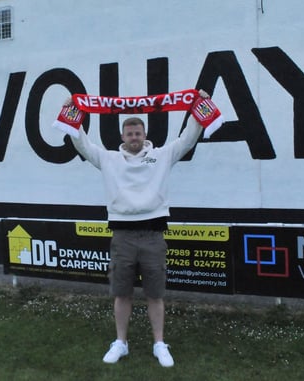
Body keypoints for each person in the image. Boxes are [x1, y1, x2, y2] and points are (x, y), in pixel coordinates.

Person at [65, 90, 209, 367]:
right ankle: (121, 342)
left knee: (155, 294)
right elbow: (81, 143)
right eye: (129, 133)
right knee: (122, 293)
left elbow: (189, 139)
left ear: (144, 135)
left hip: (154, 236)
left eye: (138, 133)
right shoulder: (108, 159)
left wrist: (199, 105)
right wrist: (73, 111)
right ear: (122, 137)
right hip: (123, 237)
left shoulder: (162, 156)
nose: (134, 137)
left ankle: (159, 343)